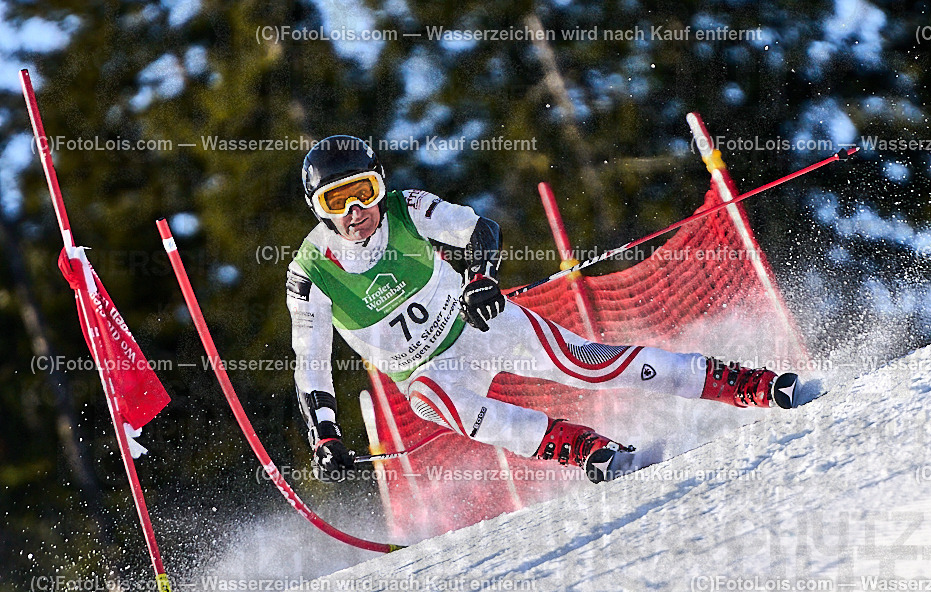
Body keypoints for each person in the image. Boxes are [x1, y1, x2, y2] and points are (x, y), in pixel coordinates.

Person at [286, 135, 798, 484]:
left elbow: (479, 229)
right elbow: (311, 363)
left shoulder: (406, 207)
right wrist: (325, 434)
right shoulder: (310, 273)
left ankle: (748, 384)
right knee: (446, 406)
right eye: (336, 201)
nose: (356, 212)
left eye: (364, 193)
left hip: (477, 324)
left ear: (380, 184)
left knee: (590, 367)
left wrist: (481, 278)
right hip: (428, 373)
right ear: (317, 209)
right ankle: (591, 451)